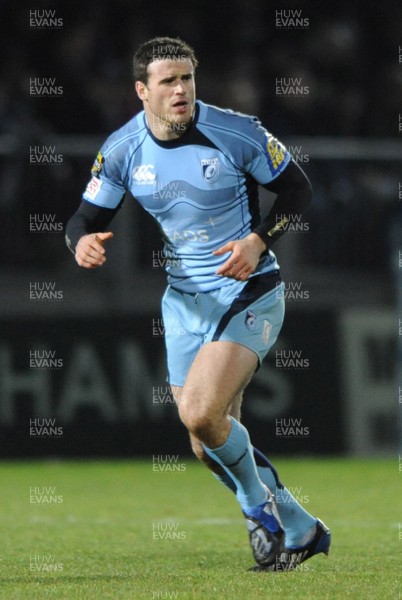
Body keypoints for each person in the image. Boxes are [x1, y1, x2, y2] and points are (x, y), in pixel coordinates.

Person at [65, 36, 330, 571]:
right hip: (183, 304)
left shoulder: (237, 132)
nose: (182, 90)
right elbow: (84, 219)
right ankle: (302, 527)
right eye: (168, 81)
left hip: (248, 291)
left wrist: (257, 242)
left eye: (187, 78)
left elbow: (299, 190)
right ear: (142, 91)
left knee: (199, 412)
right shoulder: (122, 150)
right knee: (205, 441)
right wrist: (80, 243)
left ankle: (261, 512)